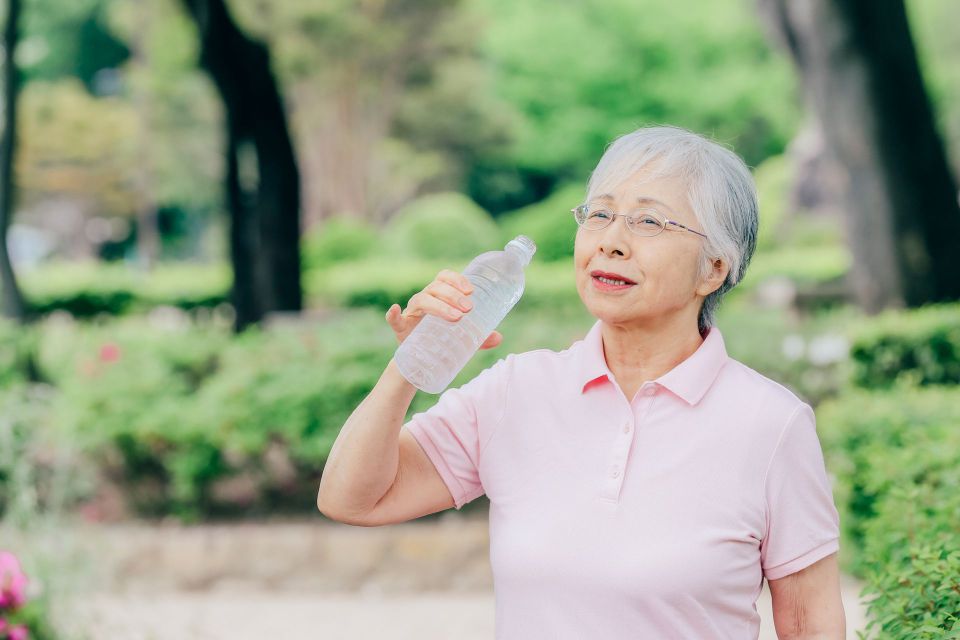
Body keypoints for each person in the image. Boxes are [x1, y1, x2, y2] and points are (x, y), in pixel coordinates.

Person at [317, 125, 846, 639]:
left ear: (713, 268)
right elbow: (354, 499)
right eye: (599, 214)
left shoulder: (770, 425)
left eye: (649, 223)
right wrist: (411, 363)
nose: (610, 243)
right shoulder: (516, 391)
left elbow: (811, 626)